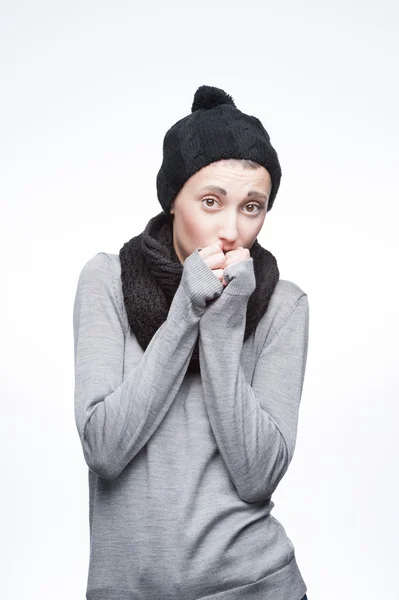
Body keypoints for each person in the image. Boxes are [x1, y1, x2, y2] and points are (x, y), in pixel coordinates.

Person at [73, 84, 310, 600]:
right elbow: (104, 450)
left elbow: (257, 476)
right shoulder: (106, 282)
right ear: (172, 199)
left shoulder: (283, 304)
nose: (231, 229)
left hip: (255, 585)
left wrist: (225, 323)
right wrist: (186, 311)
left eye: (252, 207)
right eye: (210, 202)